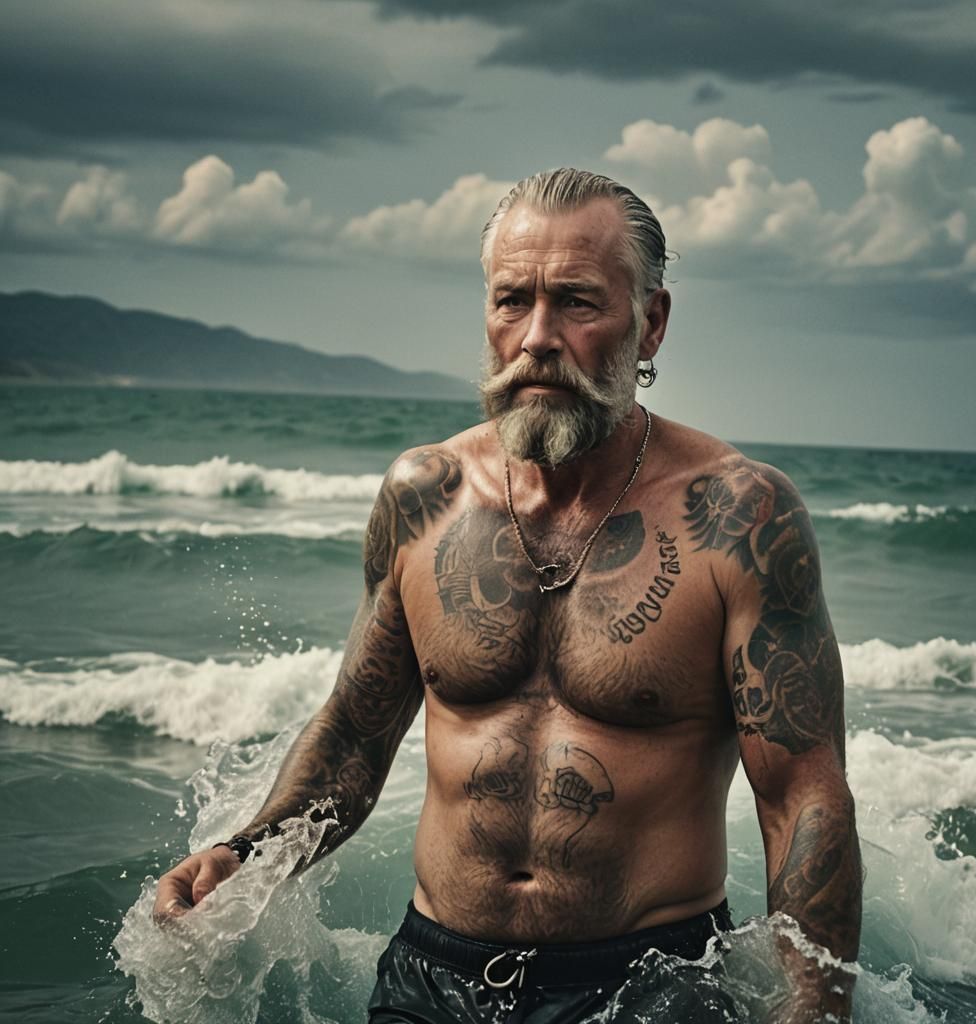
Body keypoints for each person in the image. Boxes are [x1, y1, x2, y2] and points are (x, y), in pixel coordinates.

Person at [155, 169, 862, 1022]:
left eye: (577, 302)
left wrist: (814, 1006)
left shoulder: (740, 514)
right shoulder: (424, 495)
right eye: (511, 301)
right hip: (430, 978)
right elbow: (355, 732)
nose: (536, 337)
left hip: (651, 988)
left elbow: (801, 797)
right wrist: (245, 854)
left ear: (652, 324)